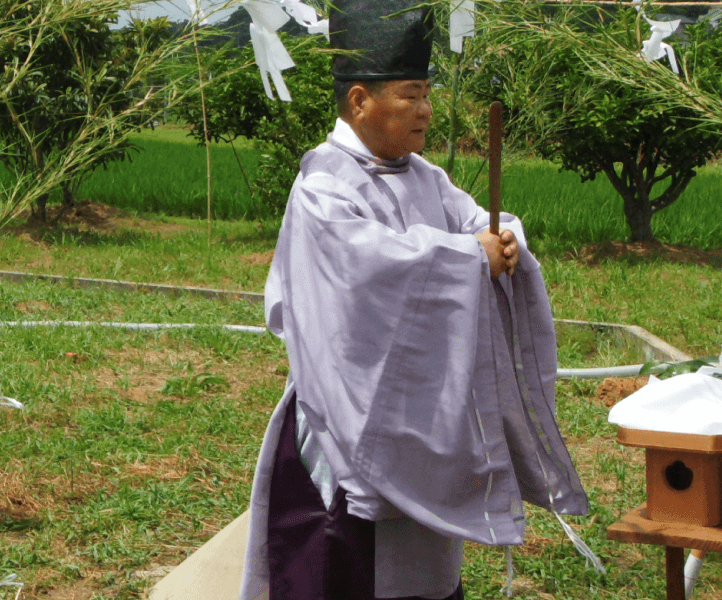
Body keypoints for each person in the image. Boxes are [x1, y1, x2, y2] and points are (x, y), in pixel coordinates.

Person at [239, 3, 591, 599]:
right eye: (411, 94)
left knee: (424, 571)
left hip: (428, 417)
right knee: (343, 568)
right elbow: (365, 273)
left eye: (427, 93)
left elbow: (478, 222)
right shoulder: (323, 186)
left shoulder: (425, 176)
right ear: (359, 102)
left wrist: (506, 241)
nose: (427, 110)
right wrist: (470, 258)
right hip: (345, 419)